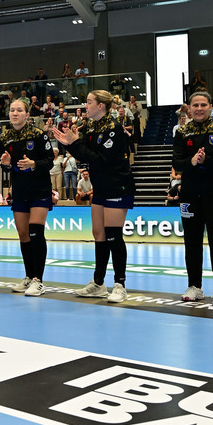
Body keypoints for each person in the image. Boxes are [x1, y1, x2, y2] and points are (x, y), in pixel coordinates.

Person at [53, 90, 135, 302]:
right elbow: (84, 157)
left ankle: (120, 284)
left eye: (88, 102)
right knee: (98, 233)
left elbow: (99, 160)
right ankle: (98, 283)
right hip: (101, 187)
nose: (85, 105)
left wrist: (76, 144)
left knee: (113, 234)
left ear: (100, 106)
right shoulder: (90, 127)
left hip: (118, 186)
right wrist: (68, 143)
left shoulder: (114, 129)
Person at [172, 91, 213, 307]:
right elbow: (177, 163)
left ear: (211, 107)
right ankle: (194, 287)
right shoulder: (181, 132)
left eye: (203, 104)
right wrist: (192, 161)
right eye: (195, 105)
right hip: (189, 194)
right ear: (188, 108)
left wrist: (206, 161)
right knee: (191, 241)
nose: (199, 108)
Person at [0, 98, 56, 297]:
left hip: (39, 189)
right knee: (23, 235)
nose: (15, 113)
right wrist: (6, 164)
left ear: (27, 114)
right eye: (12, 110)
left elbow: (49, 161)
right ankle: (29, 276)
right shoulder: (4, 138)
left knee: (35, 232)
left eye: (19, 110)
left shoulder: (39, 135)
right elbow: (6, 167)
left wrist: (33, 164)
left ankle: (38, 281)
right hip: (20, 191)